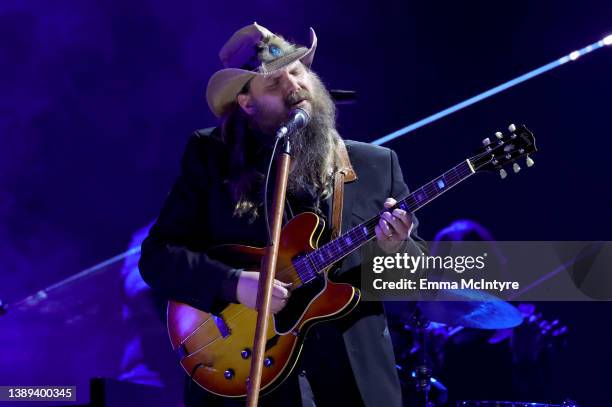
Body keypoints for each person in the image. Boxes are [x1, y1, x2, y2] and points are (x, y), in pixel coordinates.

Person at [138, 22, 425, 406]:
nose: (294, 87)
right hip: (249, 378)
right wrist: (235, 283)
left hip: (354, 384)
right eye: (275, 83)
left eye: (298, 71)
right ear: (246, 102)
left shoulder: (376, 165)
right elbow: (158, 257)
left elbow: (418, 276)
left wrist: (397, 247)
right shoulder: (212, 155)